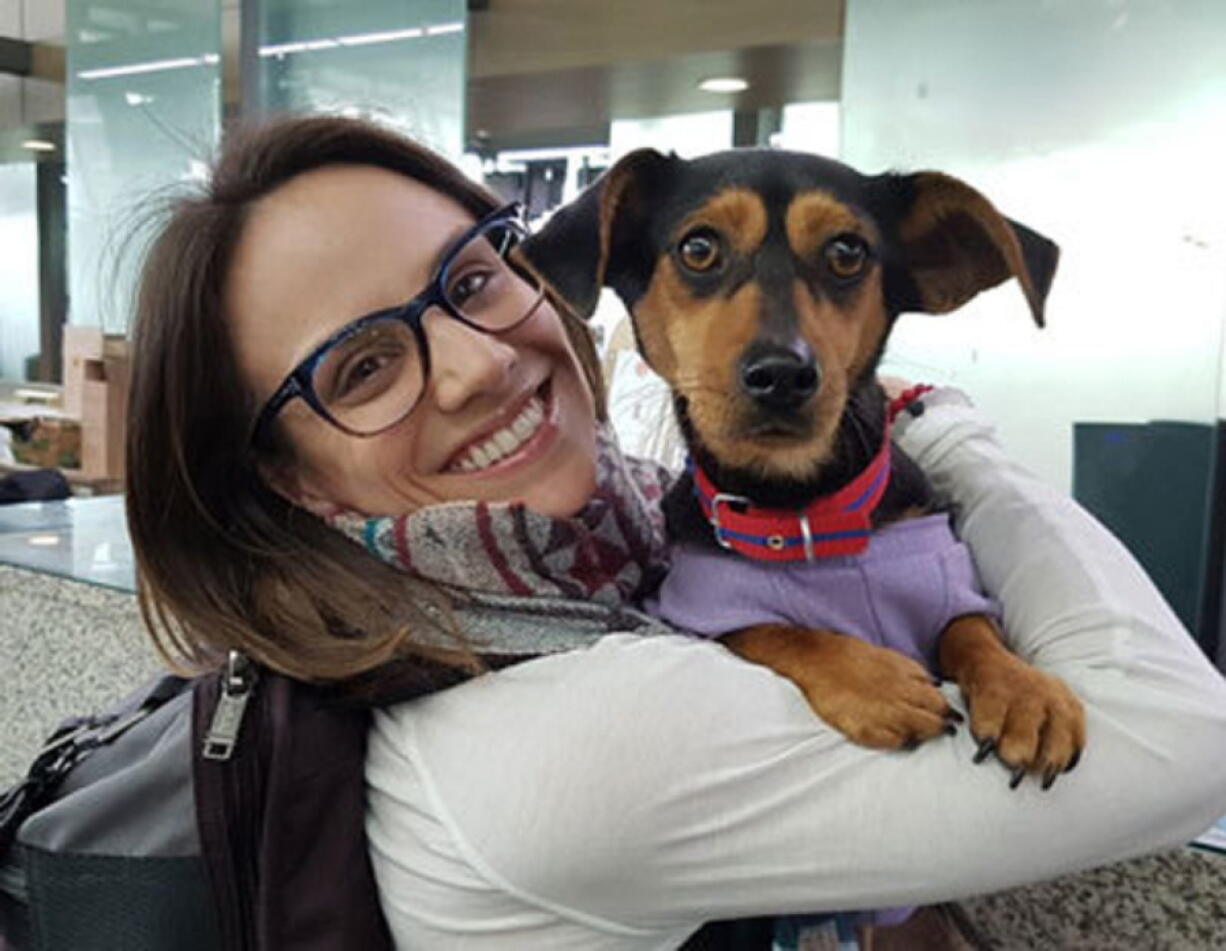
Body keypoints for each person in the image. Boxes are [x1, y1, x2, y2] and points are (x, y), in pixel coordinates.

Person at [125, 115, 1226, 950]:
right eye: (361, 367)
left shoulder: (621, 540)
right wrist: (942, 429)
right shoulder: (552, 738)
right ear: (283, 478)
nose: (478, 363)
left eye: (470, 280)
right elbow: (1182, 741)